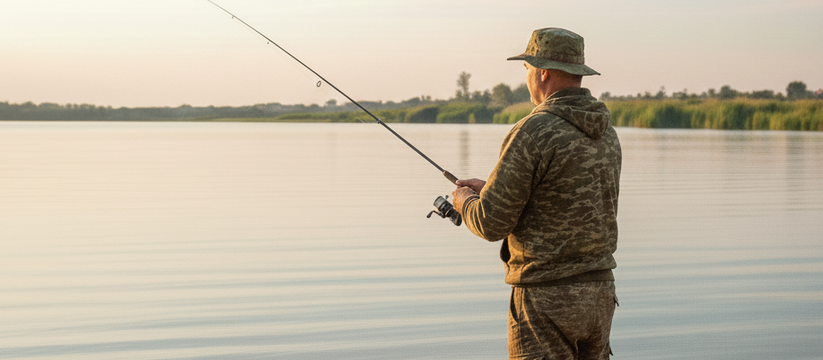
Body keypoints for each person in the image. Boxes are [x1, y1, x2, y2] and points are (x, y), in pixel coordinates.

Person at [451, 28, 621, 360]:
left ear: (542, 72)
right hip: (599, 294)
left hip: (546, 298)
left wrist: (464, 201)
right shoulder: (606, 132)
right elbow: (565, 198)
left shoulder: (533, 130)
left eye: (527, 68)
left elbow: (490, 223)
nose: (526, 76)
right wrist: (494, 190)